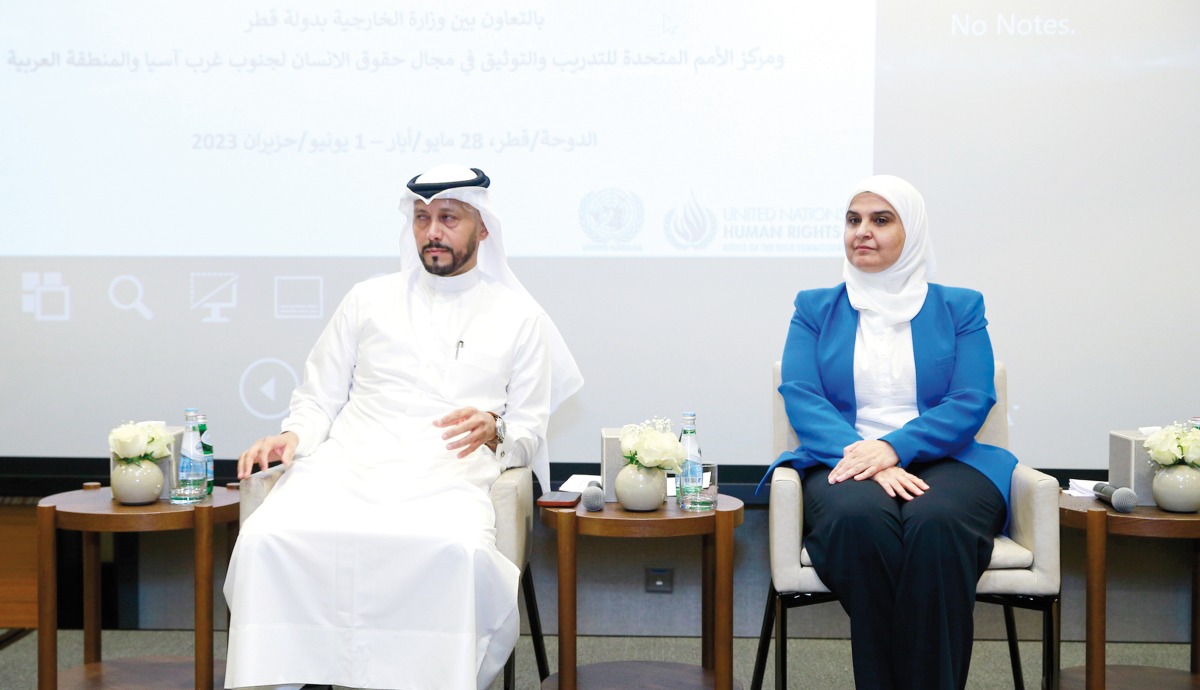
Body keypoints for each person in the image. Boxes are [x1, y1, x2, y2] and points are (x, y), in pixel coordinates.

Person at [223, 164, 583, 690]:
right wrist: (294, 436)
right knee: (265, 539)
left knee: (458, 551)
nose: (432, 232)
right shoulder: (366, 299)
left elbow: (528, 430)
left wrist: (494, 428)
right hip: (347, 468)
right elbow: (318, 397)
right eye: (421, 218)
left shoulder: (519, 316)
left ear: (483, 228)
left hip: (448, 476)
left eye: (448, 218)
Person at [768, 175, 1015, 689]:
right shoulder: (814, 307)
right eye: (853, 220)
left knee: (938, 523)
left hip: (949, 460)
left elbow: (972, 398)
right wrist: (867, 456)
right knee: (860, 520)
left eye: (881, 220)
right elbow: (801, 394)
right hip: (842, 458)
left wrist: (893, 447)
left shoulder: (960, 307)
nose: (862, 231)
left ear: (913, 231)